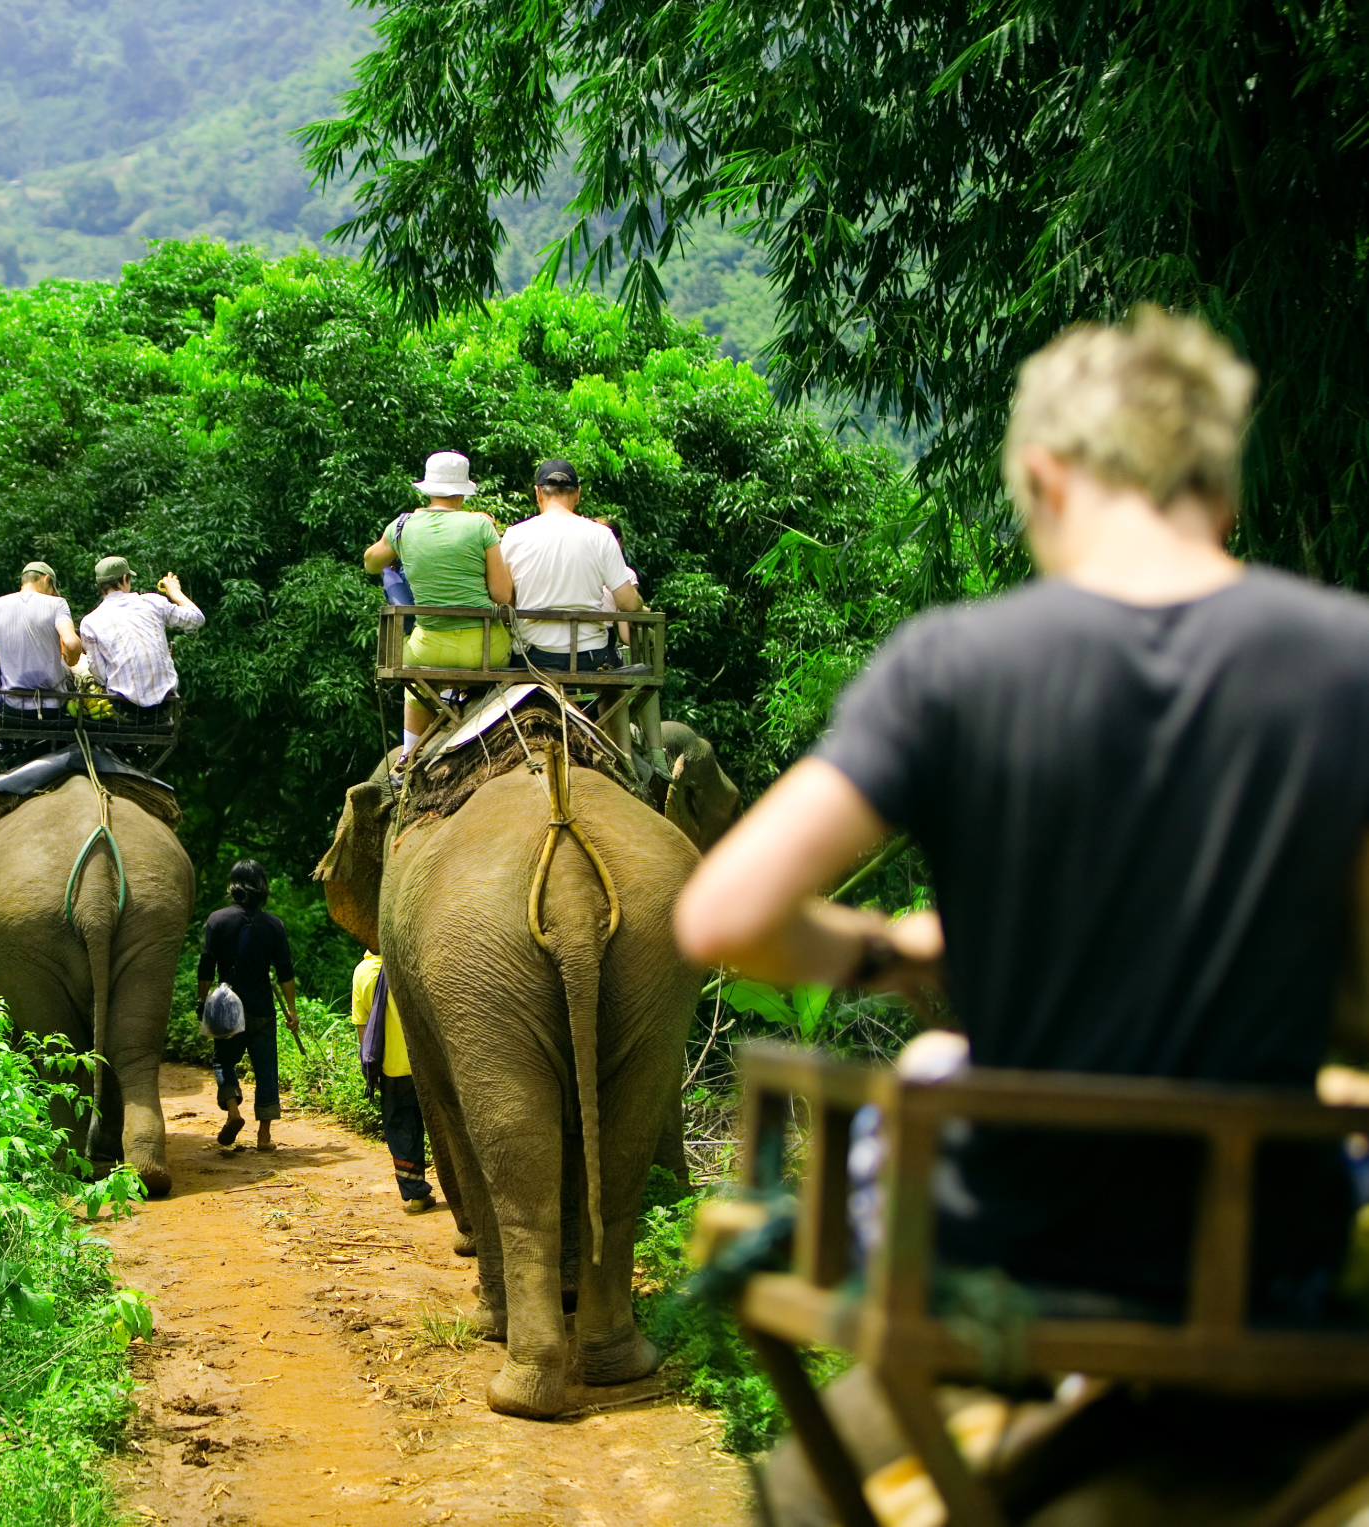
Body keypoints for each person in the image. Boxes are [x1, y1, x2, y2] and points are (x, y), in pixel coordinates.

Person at [674, 307, 1369, 1322]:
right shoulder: (1343, 659)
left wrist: (881, 948)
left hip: (1007, 1246)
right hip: (1265, 1255)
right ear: (1219, 493)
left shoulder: (951, 665)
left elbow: (721, 918)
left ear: (1043, 478)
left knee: (926, 1071)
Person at [363, 451, 516, 758]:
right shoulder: (480, 526)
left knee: (415, 687)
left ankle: (407, 757)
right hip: (486, 650)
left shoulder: (403, 526)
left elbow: (371, 563)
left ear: (428, 488)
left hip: (428, 650)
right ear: (463, 490)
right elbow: (502, 595)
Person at [499, 460, 646, 670]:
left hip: (532, 657)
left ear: (537, 493)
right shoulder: (602, 535)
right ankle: (611, 702)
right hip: (590, 657)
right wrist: (641, 604)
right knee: (616, 673)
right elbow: (629, 604)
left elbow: (505, 599)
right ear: (577, 493)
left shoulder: (514, 535)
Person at [197, 860, 300, 1152]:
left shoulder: (217, 920)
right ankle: (264, 1137)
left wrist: (202, 1000)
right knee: (266, 1069)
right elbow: (285, 971)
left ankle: (233, 1111)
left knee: (223, 1061)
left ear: (233, 886)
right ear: (262, 887)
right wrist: (291, 1010)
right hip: (262, 1010)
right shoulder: (273, 925)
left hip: (227, 1010)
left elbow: (206, 965)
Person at [352, 948, 436, 1211]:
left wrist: (370, 1069)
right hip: (428, 1063)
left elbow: (363, 1028)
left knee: (401, 1125)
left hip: (391, 1067)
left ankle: (416, 1194)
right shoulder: (415, 958)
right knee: (443, 1127)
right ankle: (463, 1193)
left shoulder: (363, 972)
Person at [77, 556, 204, 716]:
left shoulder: (90, 621)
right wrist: (175, 592)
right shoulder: (152, 602)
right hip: (164, 704)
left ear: (100, 585)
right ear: (125, 579)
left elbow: (99, 674)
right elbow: (197, 619)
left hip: (126, 708)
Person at [0, 561, 81, 712]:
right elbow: (72, 643)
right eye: (52, 590)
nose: (52, 595)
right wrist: (71, 659)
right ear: (46, 579)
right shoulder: (57, 604)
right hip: (53, 707)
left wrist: (11, 656)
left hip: (13, 707)